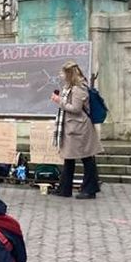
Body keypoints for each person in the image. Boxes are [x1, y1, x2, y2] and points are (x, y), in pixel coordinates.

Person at [50, 60, 102, 199]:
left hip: (79, 128)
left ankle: (90, 189)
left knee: (86, 158)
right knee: (69, 158)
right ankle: (64, 189)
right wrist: (61, 99)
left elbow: (76, 108)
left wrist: (58, 101)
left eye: (63, 73)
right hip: (71, 127)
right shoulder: (70, 86)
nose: (60, 75)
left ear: (69, 74)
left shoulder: (79, 88)